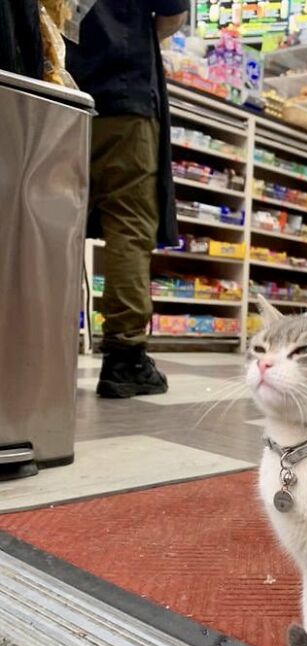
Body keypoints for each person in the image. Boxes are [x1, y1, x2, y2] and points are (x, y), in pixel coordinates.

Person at [66, 0, 189, 398]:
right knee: (129, 225)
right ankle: (125, 357)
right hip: (122, 95)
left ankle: (37, 341)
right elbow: (171, 12)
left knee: (44, 217)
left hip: (53, 84)